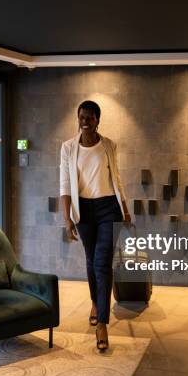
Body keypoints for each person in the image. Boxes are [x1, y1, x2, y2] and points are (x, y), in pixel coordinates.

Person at [59, 100, 131, 352]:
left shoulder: (109, 145)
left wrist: (125, 207)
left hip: (109, 208)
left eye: (90, 117)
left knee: (102, 262)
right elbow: (65, 184)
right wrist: (67, 218)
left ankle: (102, 323)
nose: (85, 121)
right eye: (81, 117)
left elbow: (117, 178)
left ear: (98, 119)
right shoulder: (68, 148)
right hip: (84, 210)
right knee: (91, 260)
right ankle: (94, 302)